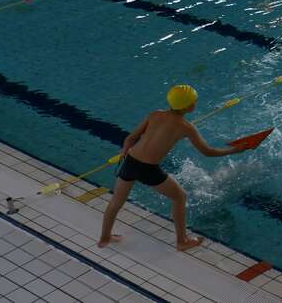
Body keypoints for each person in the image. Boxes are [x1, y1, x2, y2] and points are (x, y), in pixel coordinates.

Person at [98, 85, 256, 251]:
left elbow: (130, 139)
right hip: (148, 169)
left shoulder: (155, 114)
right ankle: (182, 241)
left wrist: (124, 153)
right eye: (194, 100)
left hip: (130, 161)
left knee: (116, 202)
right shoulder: (186, 127)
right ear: (189, 106)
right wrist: (234, 150)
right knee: (180, 197)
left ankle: (104, 237)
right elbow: (208, 152)